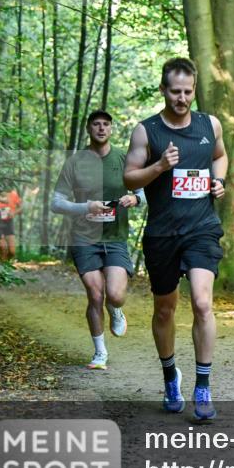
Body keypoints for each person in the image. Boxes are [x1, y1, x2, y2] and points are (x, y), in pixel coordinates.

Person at [124, 57, 227, 421]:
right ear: (163, 90)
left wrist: (220, 181)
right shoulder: (146, 131)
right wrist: (159, 167)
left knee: (202, 303)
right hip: (163, 233)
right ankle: (170, 377)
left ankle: (203, 386)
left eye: (187, 92)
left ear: (194, 90)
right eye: (175, 92)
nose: (181, 98)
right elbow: (130, 179)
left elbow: (221, 155)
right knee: (165, 309)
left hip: (201, 228)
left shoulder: (208, 124)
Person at [52, 110, 144, 370]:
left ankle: (115, 310)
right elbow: (56, 203)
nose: (101, 128)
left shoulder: (124, 159)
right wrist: (85, 207)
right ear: (88, 129)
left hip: (115, 239)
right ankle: (100, 353)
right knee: (95, 294)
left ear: (111, 130)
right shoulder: (75, 162)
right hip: (84, 239)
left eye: (106, 124)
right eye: (96, 124)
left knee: (114, 295)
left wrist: (135, 199)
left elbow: (144, 193)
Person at [0, 188, 21, 262]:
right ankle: (2, 268)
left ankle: (4, 263)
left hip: (8, 222)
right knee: (3, 248)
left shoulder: (13, 194)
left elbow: (20, 207)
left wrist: (14, 212)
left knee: (12, 251)